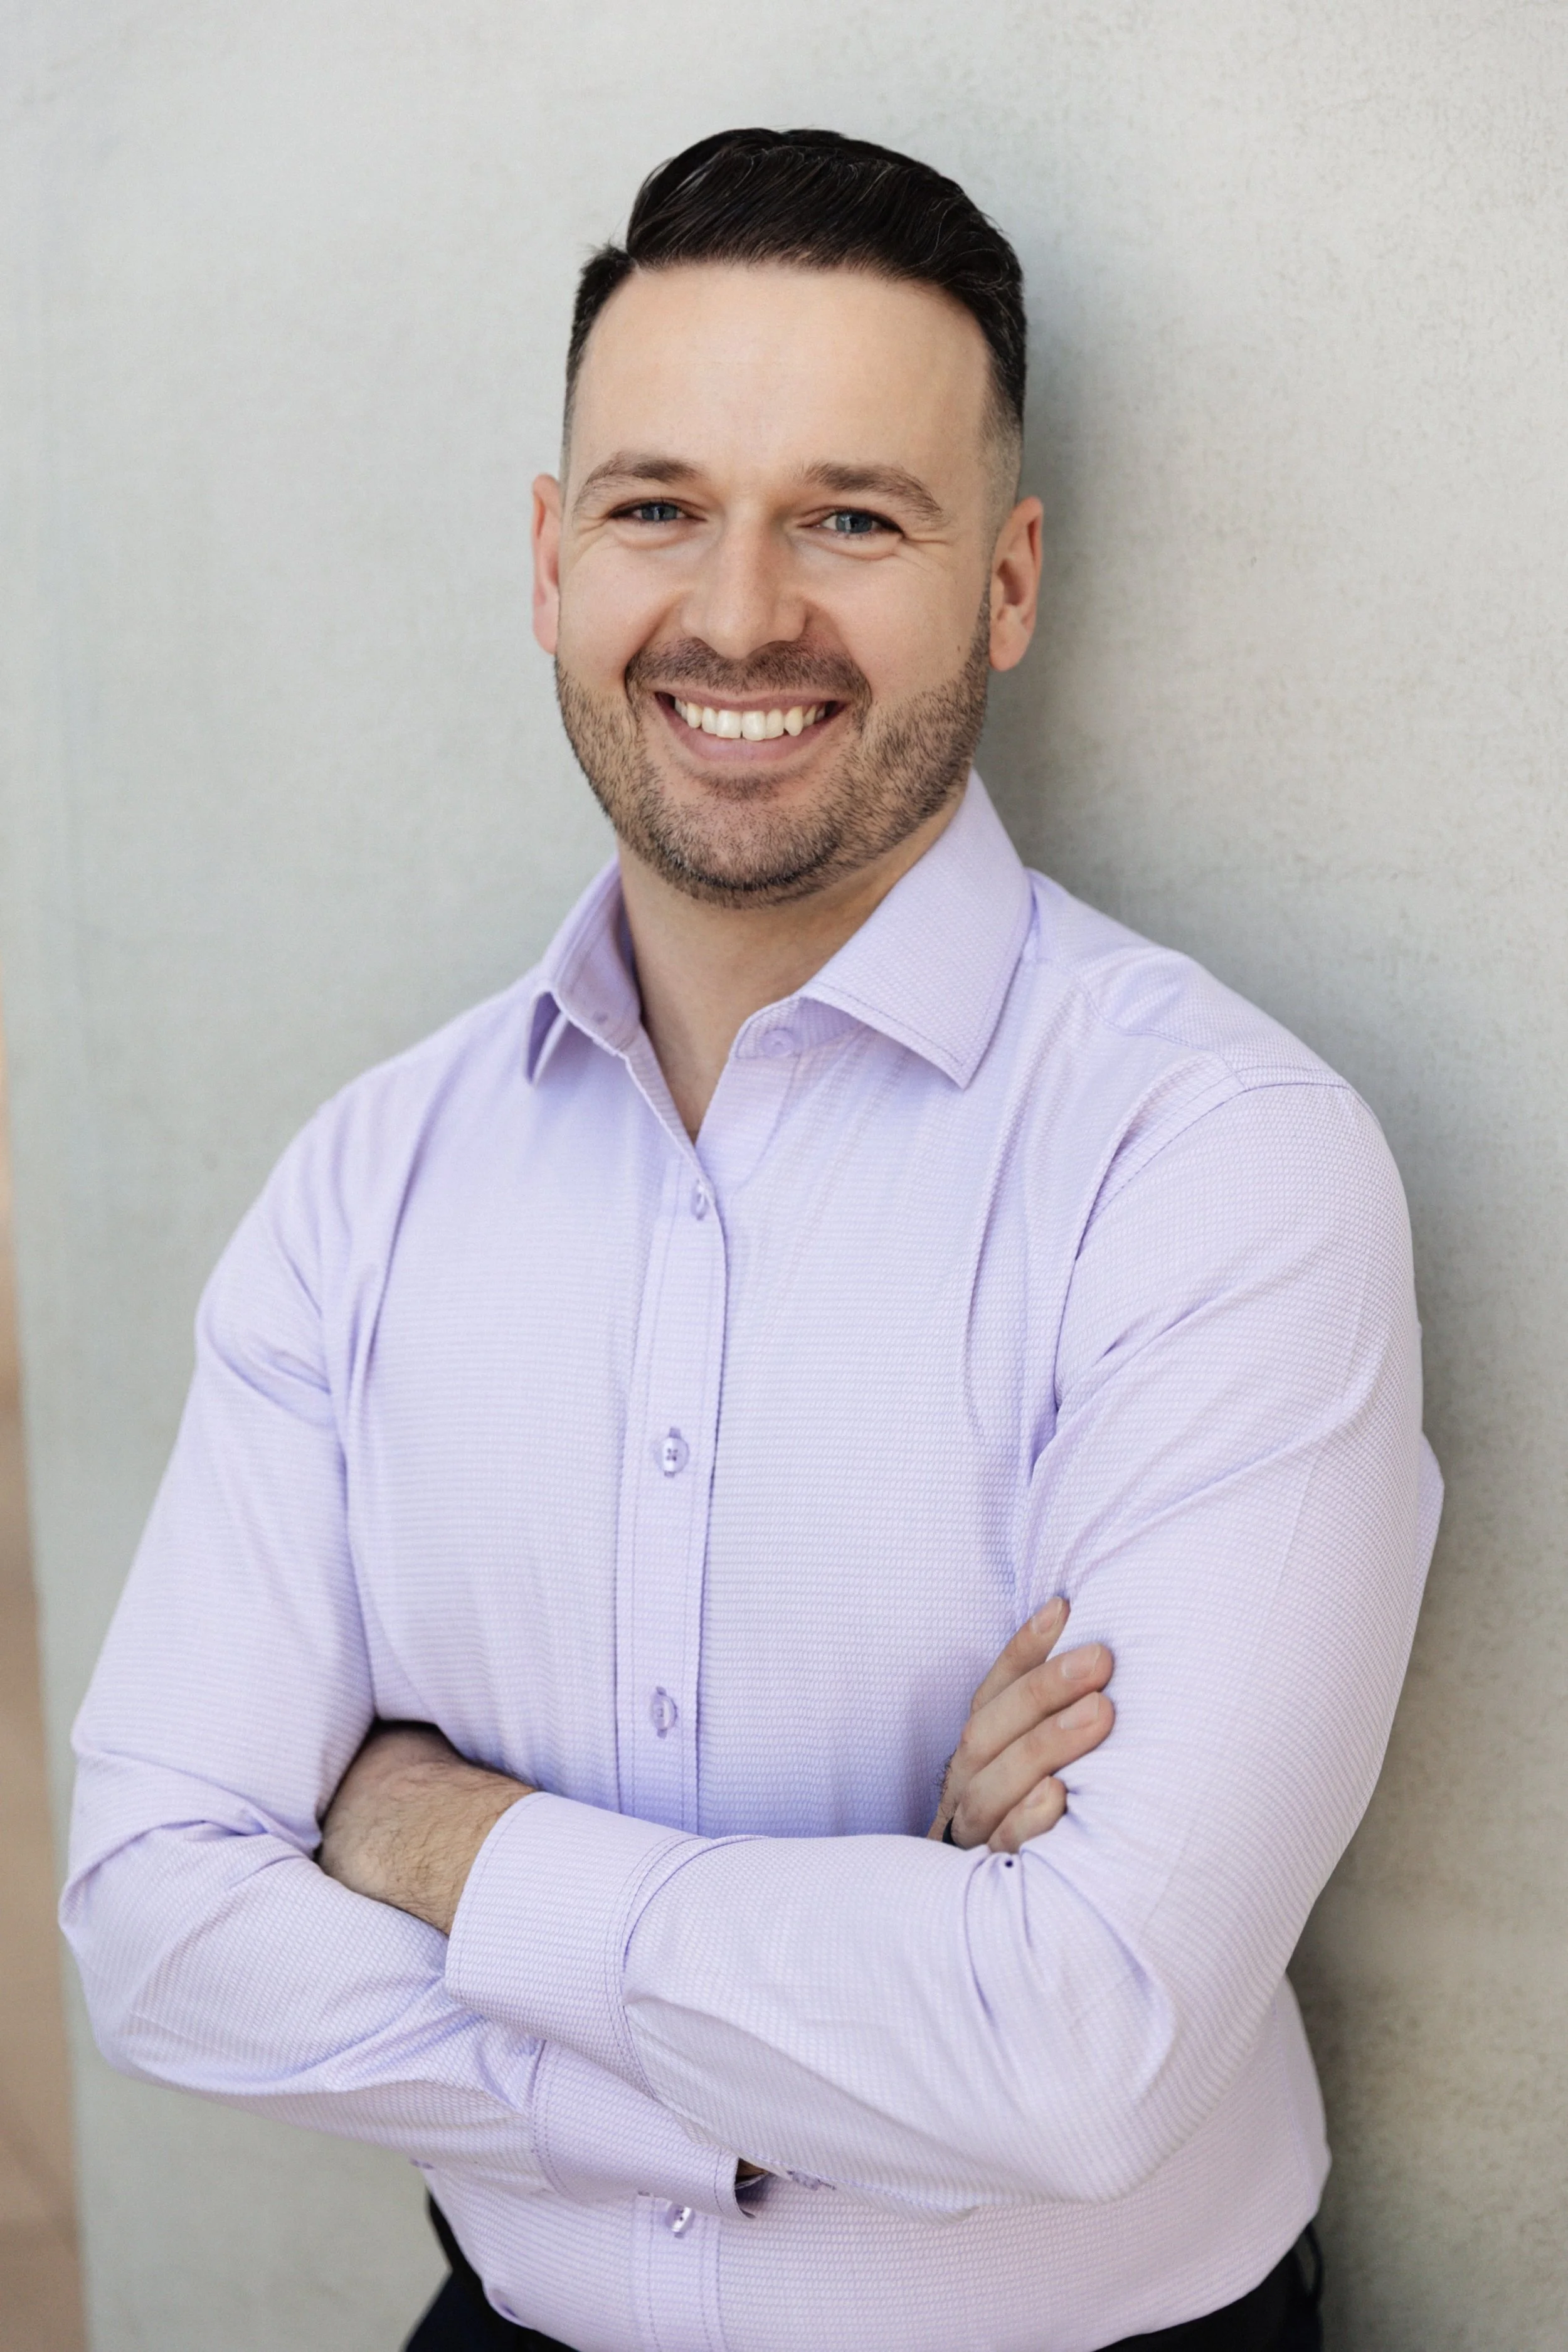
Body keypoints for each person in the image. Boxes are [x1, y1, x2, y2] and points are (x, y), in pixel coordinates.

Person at [62, 128, 1441, 2352]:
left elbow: (1075, 2044)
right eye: (654, 507)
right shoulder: (369, 1178)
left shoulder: (1215, 1162)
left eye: (850, 518)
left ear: (1002, 582)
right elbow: (151, 1916)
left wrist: (430, 1833)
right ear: (546, 557)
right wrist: (843, 1983)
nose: (731, 613)